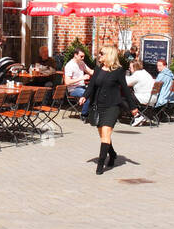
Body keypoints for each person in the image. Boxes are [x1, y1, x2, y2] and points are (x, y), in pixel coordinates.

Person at [82, 44, 139, 172]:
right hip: (98, 106)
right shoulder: (98, 69)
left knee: (106, 133)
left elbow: (126, 90)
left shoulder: (119, 71)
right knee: (103, 136)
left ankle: (100, 165)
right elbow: (91, 86)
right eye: (99, 53)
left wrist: (133, 108)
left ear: (109, 55)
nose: (99, 55)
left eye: (101, 53)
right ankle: (112, 154)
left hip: (112, 106)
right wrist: (84, 97)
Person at [64, 47, 93, 118]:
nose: (83, 58)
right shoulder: (69, 65)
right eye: (81, 56)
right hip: (73, 89)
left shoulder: (81, 63)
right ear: (75, 55)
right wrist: (82, 78)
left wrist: (103, 71)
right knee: (86, 95)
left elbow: (91, 72)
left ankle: (92, 114)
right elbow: (67, 82)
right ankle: (84, 115)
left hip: (82, 87)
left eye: (83, 56)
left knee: (95, 92)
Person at [126, 60, 155, 124]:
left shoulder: (137, 74)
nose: (129, 69)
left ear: (135, 67)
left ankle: (137, 116)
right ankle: (139, 115)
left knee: (124, 98)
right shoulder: (145, 72)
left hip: (144, 97)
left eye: (130, 68)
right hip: (152, 98)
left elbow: (127, 82)